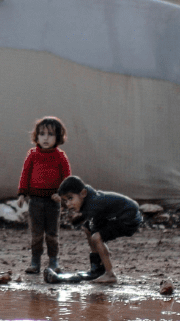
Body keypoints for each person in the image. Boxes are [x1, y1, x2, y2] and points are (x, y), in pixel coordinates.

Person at [55, 175, 142, 286]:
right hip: (120, 214)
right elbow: (91, 220)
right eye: (65, 201)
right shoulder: (88, 200)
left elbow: (96, 224)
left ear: (83, 193)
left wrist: (102, 249)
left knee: (97, 237)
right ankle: (97, 268)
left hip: (129, 218)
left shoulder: (94, 204)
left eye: (70, 198)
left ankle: (110, 274)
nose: (68, 204)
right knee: (87, 228)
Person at [18, 116, 72, 275]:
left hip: (53, 202)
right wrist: (22, 194)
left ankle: (53, 262)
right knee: (36, 234)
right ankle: (35, 262)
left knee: (52, 234)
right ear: (36, 136)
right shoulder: (32, 155)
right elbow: (25, 174)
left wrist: (61, 195)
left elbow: (67, 178)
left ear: (58, 137)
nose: (46, 138)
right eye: (42, 134)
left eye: (50, 134)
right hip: (35, 201)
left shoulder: (60, 156)